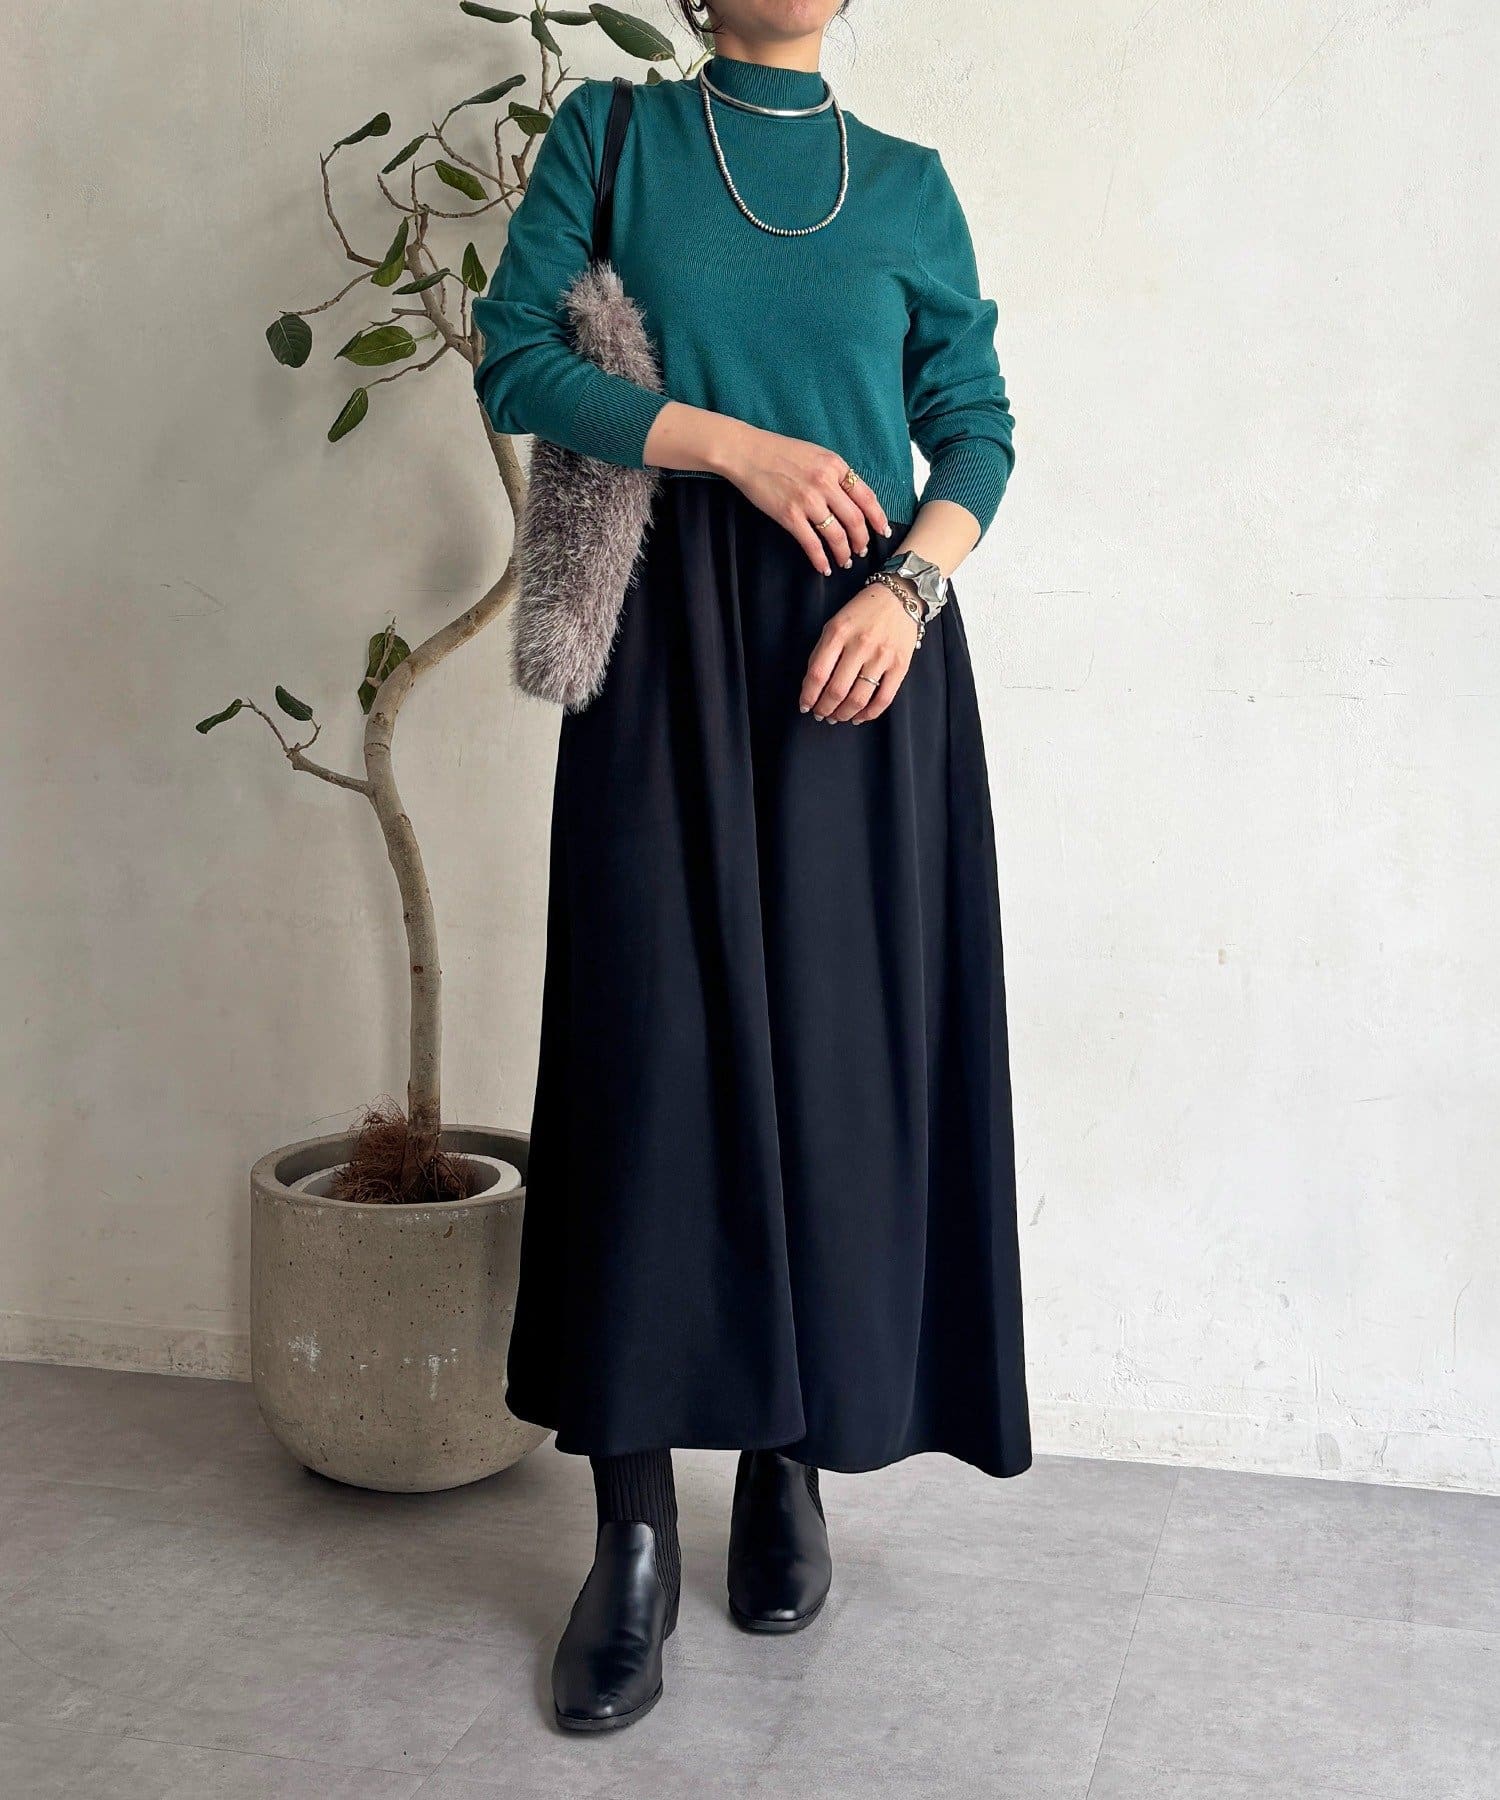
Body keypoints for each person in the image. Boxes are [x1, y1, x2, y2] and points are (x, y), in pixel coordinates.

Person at [472, 0, 1031, 1733]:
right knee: (650, 1072)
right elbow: (517, 358)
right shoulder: (614, 138)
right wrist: (733, 442)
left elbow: (978, 426)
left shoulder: (906, 181)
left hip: (860, 666)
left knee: (836, 1073)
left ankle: (792, 1461)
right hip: (662, 645)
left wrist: (909, 591)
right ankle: (631, 1532)